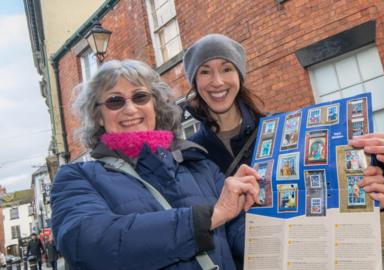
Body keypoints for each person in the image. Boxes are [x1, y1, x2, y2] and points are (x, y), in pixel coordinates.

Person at [51, 59, 260, 270]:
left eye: (140, 97)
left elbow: (244, 238)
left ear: (155, 106)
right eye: (115, 101)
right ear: (99, 117)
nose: (130, 109)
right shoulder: (77, 177)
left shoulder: (200, 166)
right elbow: (90, 245)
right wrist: (208, 218)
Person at [183, 33, 384, 211]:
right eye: (205, 72)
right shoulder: (190, 155)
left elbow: (333, 190)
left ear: (239, 76)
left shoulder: (284, 130)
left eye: (226, 69)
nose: (217, 81)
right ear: (194, 82)